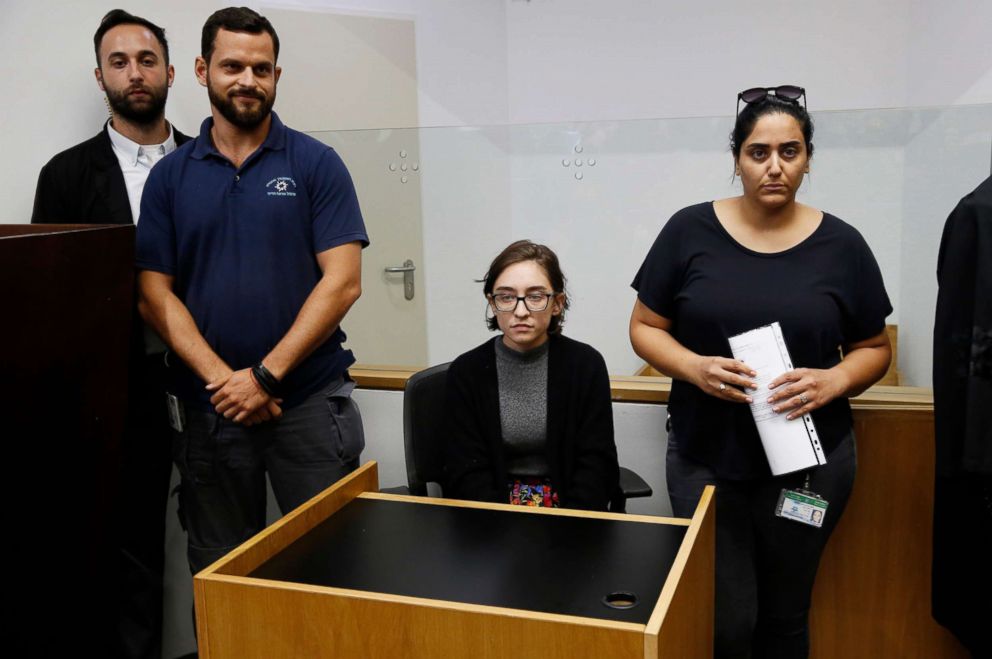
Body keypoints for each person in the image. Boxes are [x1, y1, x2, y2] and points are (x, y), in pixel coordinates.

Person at [629, 86, 892, 658]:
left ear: (808, 158)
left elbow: (874, 347)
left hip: (808, 467)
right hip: (707, 458)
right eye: (758, 152)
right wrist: (695, 368)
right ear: (736, 159)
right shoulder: (688, 231)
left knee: (785, 618)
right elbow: (645, 327)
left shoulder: (842, 245)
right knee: (725, 619)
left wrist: (834, 380)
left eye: (790, 152)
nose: (774, 166)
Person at [135, 7, 369, 577]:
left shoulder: (317, 164)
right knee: (222, 578)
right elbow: (153, 294)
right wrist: (227, 382)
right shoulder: (170, 177)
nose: (247, 80)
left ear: (277, 77)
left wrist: (264, 376)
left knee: (331, 568)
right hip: (210, 411)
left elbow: (343, 283)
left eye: (261, 68)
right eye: (232, 65)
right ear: (201, 69)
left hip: (307, 405)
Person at [31, 10, 190, 658]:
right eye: (119, 61)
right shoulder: (66, 176)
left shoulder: (213, 162)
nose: (135, 72)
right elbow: (50, 301)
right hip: (121, 393)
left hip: (219, 380)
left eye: (146, 59)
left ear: (172, 71)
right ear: (100, 76)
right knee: (131, 551)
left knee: (235, 535)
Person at [444, 240, 620, 511]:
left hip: (572, 516)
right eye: (506, 297)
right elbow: (465, 472)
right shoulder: (466, 372)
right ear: (492, 303)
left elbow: (597, 465)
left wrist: (568, 527)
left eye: (535, 296)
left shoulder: (585, 365)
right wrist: (501, 528)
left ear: (557, 303)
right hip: (491, 517)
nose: (521, 311)